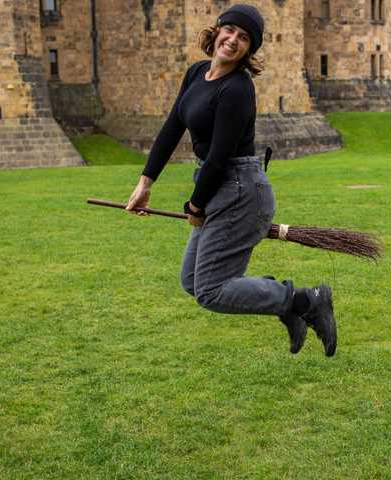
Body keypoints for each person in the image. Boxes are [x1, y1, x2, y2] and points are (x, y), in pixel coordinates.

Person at [125, 4, 337, 356]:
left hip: (239, 191)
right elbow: (172, 127)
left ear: (249, 50)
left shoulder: (238, 89)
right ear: (217, 30)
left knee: (210, 290)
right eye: (230, 31)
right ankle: (289, 307)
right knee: (191, 282)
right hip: (218, 184)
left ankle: (306, 299)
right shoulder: (197, 74)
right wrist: (145, 183)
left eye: (244, 39)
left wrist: (195, 205)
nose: (233, 40)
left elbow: (220, 157)